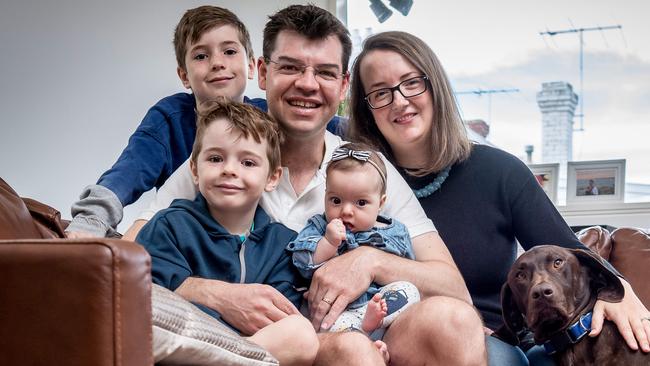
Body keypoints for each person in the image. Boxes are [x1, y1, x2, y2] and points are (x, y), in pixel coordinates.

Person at [129, 5, 487, 366]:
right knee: (352, 351)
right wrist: (217, 294)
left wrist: (369, 261)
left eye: (326, 73)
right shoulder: (224, 160)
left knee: (454, 321)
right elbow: (124, 262)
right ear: (263, 72)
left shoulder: (365, 167)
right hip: (279, 343)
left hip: (360, 323)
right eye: (290, 67)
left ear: (343, 85)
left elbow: (453, 288)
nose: (308, 83)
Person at [346, 30, 650, 365]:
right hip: (389, 338)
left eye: (412, 82)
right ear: (367, 109)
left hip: (487, 339)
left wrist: (622, 292)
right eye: (380, 93)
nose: (400, 100)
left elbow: (569, 252)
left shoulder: (499, 171)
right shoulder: (354, 184)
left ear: (435, 86)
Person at [65, 5, 342, 239]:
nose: (217, 63)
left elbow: (326, 123)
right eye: (201, 56)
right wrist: (91, 221)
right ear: (184, 75)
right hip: (186, 241)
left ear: (250, 66)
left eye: (229, 52)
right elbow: (126, 174)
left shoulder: (265, 115)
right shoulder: (170, 119)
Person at [135, 99, 318, 365]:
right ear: (195, 170)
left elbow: (277, 318)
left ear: (272, 178)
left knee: (301, 335)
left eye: (248, 162)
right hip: (186, 346)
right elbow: (151, 299)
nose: (230, 169)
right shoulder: (170, 226)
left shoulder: (284, 244)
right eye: (216, 158)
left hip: (252, 349)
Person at [288, 142, 420, 348]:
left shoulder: (396, 232)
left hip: (380, 307)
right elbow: (302, 262)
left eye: (360, 203)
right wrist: (328, 243)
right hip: (337, 313)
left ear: (381, 202)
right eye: (336, 200)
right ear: (325, 196)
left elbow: (408, 270)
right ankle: (366, 339)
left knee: (409, 289)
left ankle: (371, 327)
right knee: (327, 324)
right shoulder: (321, 227)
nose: (346, 211)